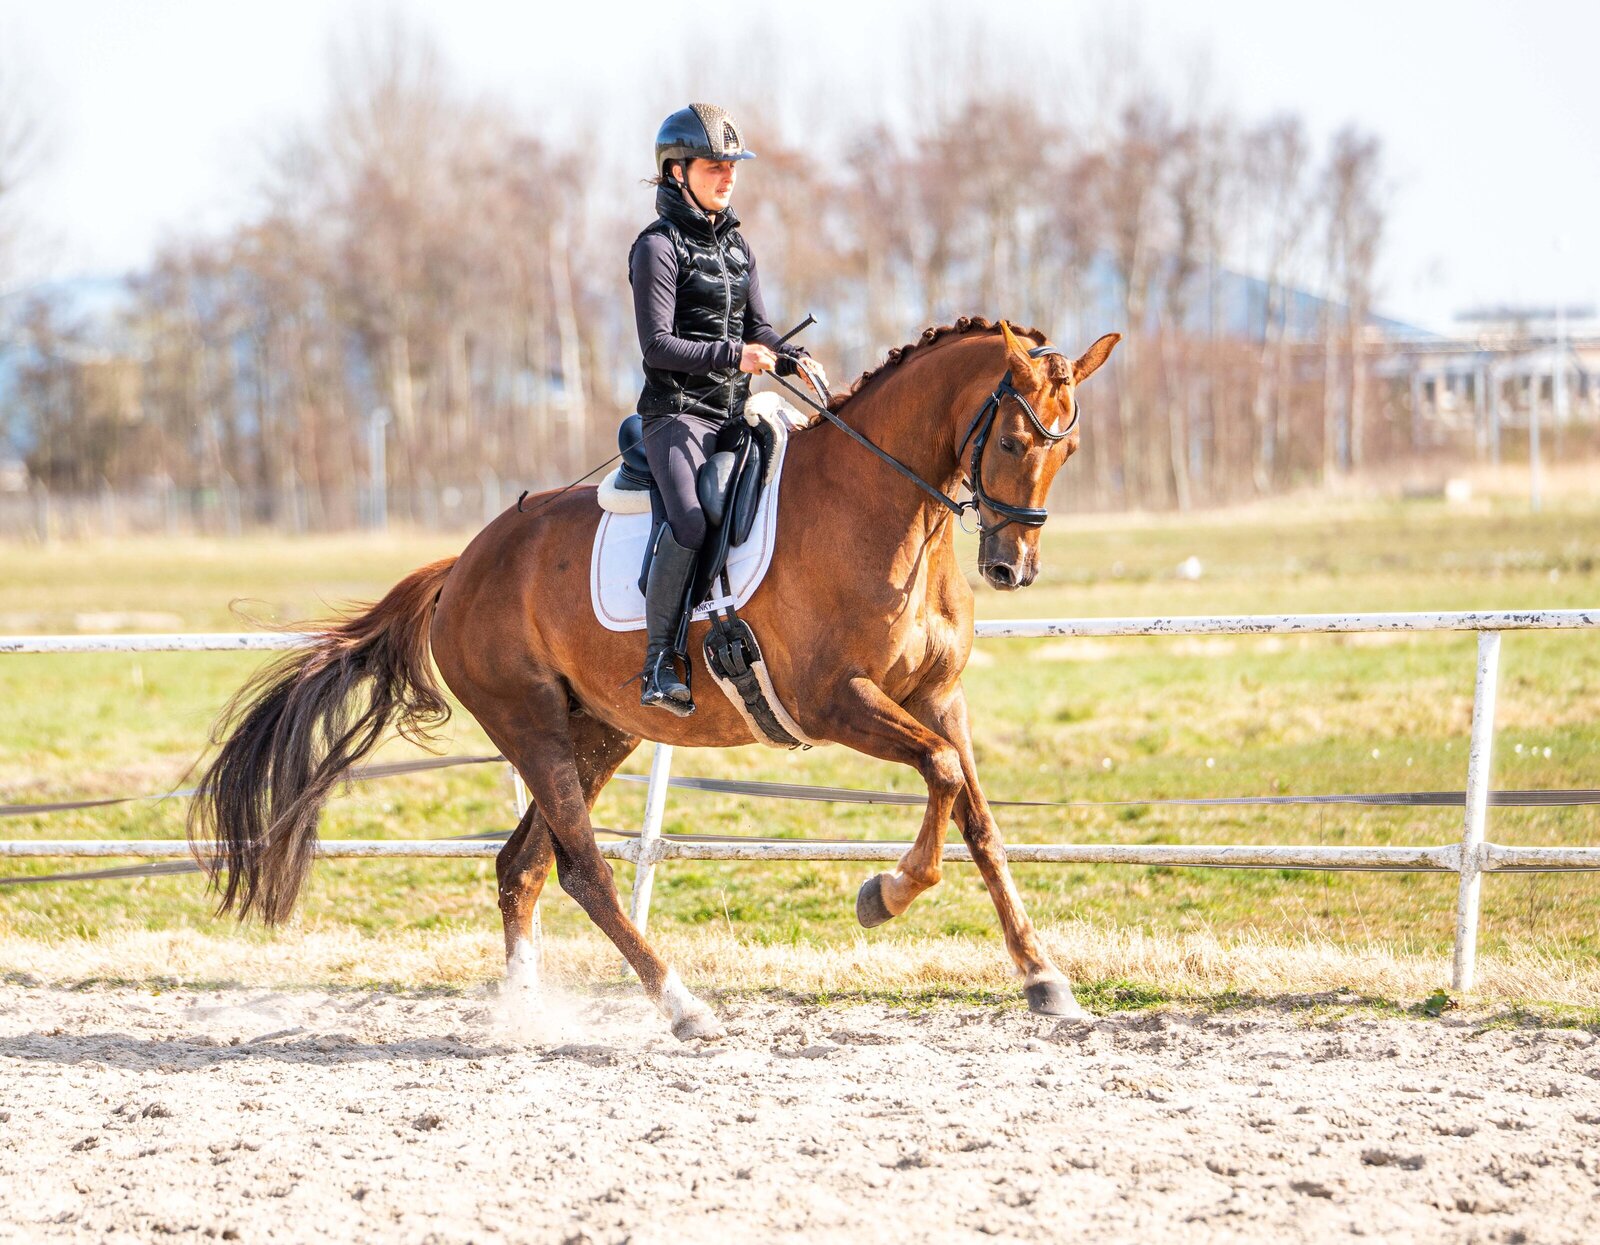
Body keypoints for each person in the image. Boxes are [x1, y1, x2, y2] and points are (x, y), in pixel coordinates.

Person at [628, 102, 827, 716]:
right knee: (690, 520)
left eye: (733, 165)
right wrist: (733, 356)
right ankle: (661, 659)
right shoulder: (655, 249)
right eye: (715, 165)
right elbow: (658, 344)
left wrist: (789, 359)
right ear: (676, 172)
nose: (729, 175)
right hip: (676, 415)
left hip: (734, 414)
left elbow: (760, 328)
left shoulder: (738, 245)